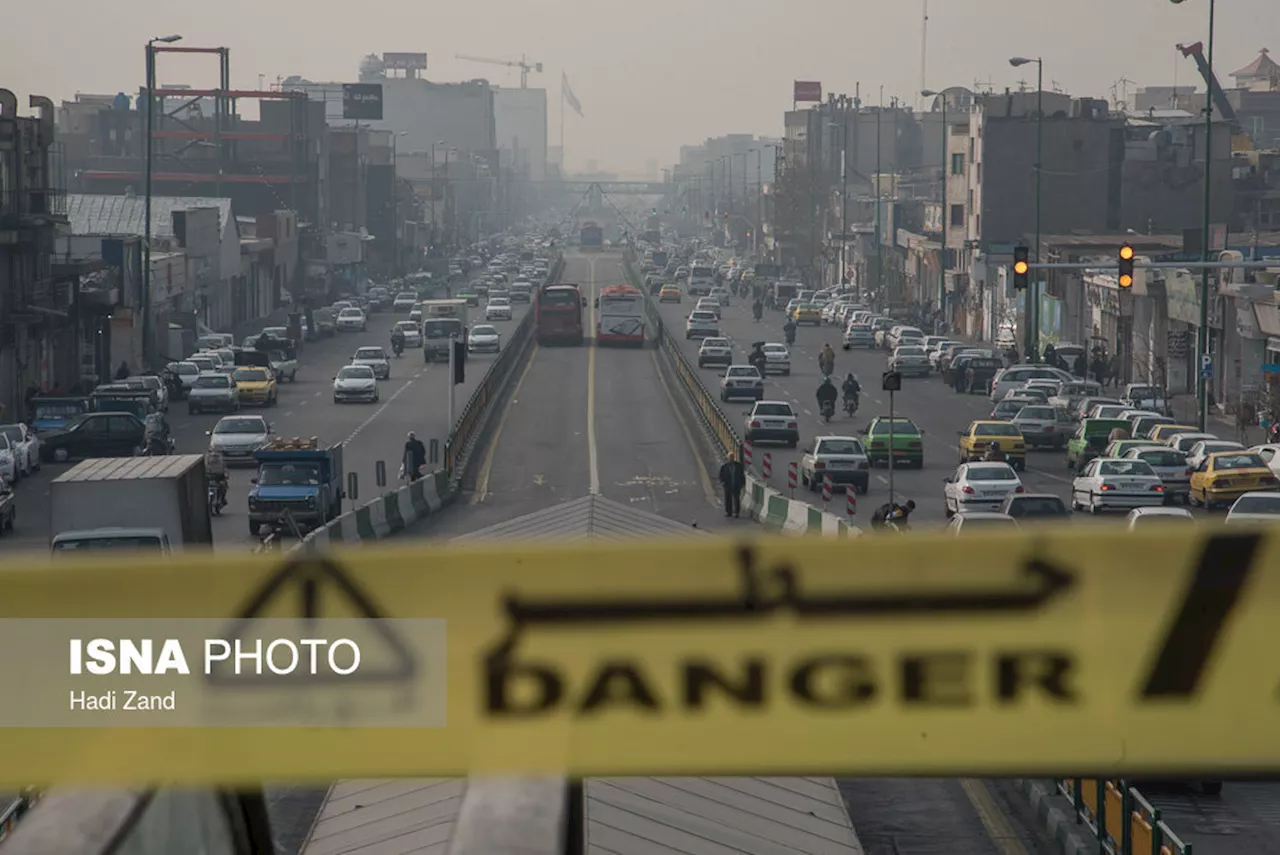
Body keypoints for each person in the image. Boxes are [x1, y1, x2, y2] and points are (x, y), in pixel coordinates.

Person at [718, 451, 746, 518]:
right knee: (728, 499)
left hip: (736, 485)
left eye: (732, 457)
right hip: (728, 485)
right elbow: (720, 476)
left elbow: (742, 475)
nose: (731, 459)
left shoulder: (739, 466)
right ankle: (729, 512)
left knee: (736, 499)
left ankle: (737, 512)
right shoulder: (724, 466)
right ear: (728, 458)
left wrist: (742, 483)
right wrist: (723, 482)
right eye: (730, 457)